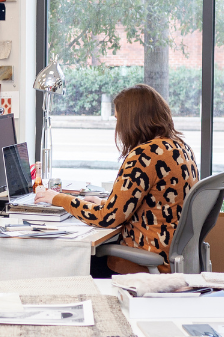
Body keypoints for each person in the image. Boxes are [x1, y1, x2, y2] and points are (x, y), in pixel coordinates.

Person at [35, 84, 199, 275]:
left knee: (63, 262)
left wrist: (57, 198)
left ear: (131, 121)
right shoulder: (180, 148)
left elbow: (107, 218)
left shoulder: (145, 155)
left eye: (118, 119)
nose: (118, 127)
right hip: (171, 255)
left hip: (145, 260)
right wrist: (104, 203)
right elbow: (152, 204)